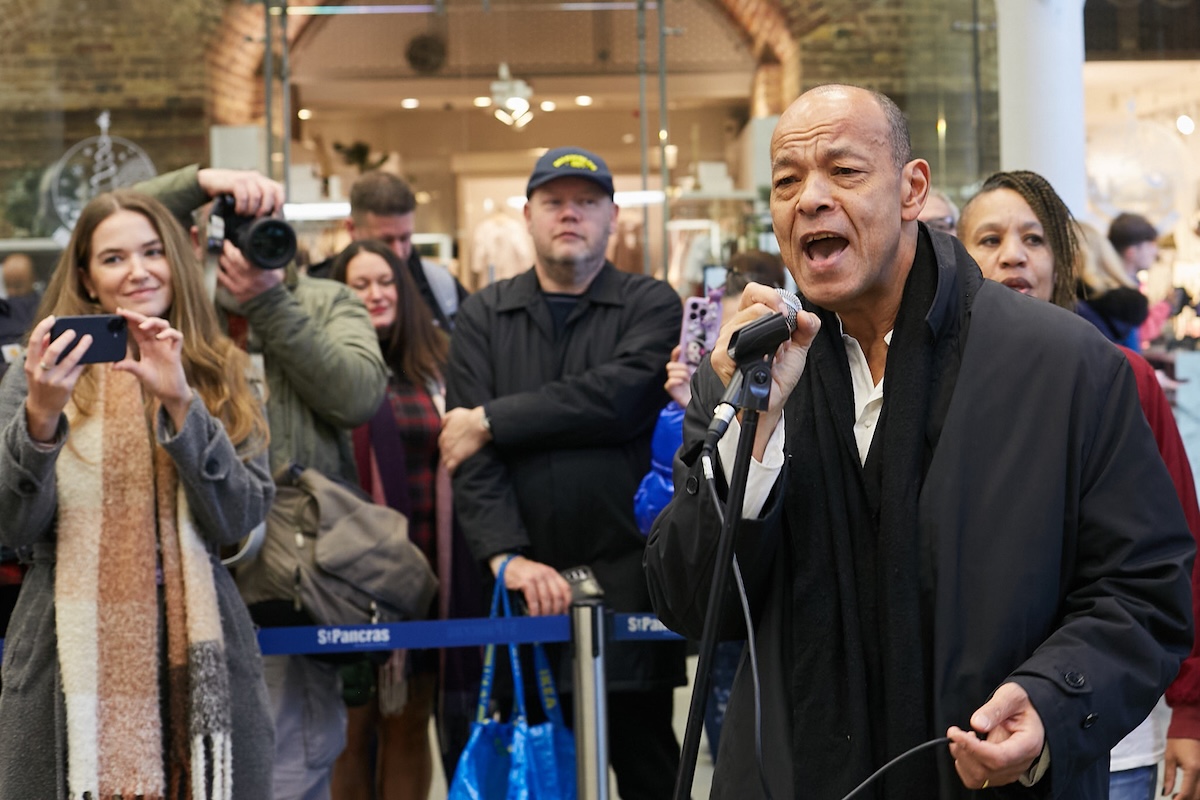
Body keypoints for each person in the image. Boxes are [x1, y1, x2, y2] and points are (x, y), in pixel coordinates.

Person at [644, 84, 1194, 799]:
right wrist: (756, 428)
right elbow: (689, 600)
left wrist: (1051, 702)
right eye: (787, 180)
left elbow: (1143, 590)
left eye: (843, 171)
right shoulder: (753, 371)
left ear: (913, 189)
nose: (809, 198)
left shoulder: (1063, 365)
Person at [0, 190, 275, 799]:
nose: (139, 271)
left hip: (201, 653)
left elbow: (242, 518)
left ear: (176, 261)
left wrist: (181, 402)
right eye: (114, 258)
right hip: (64, 655)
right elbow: (11, 526)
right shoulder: (36, 372)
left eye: (152, 252)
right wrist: (42, 418)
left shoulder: (223, 368)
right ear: (87, 279)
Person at [441, 146, 686, 800]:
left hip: (632, 581)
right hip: (527, 588)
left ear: (613, 216)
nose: (569, 214)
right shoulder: (482, 315)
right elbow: (466, 456)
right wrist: (504, 557)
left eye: (586, 202)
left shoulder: (651, 303)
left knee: (647, 768)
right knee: (539, 775)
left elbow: (621, 398)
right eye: (554, 202)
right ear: (528, 215)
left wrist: (491, 417)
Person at [137, 164, 389, 800]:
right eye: (237, 231)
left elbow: (356, 396)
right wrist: (201, 180)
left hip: (294, 578)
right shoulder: (179, 312)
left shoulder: (328, 300)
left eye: (269, 229)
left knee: (290, 766)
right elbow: (117, 214)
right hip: (185, 573)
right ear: (201, 239)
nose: (255, 244)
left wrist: (270, 302)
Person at [957, 174, 1200, 800]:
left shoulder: (1120, 378)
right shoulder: (936, 398)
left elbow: (1175, 558)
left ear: (1061, 262)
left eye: (1033, 238)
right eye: (989, 239)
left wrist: (1192, 709)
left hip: (1118, 730)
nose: (1013, 253)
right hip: (978, 738)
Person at [327, 239, 485, 799]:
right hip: (352, 578)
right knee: (352, 728)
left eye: (385, 282)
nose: (375, 294)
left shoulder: (437, 360)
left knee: (410, 719)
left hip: (431, 570)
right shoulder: (331, 364)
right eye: (360, 284)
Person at [307, 170, 468, 330]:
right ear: (352, 229)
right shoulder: (319, 292)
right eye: (384, 241)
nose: (398, 252)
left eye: (405, 238)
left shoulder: (439, 285)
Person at [1109, 211, 1160, 281]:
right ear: (1130, 252)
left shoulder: (1107, 282)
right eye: (1150, 245)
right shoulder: (1123, 289)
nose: (1155, 251)